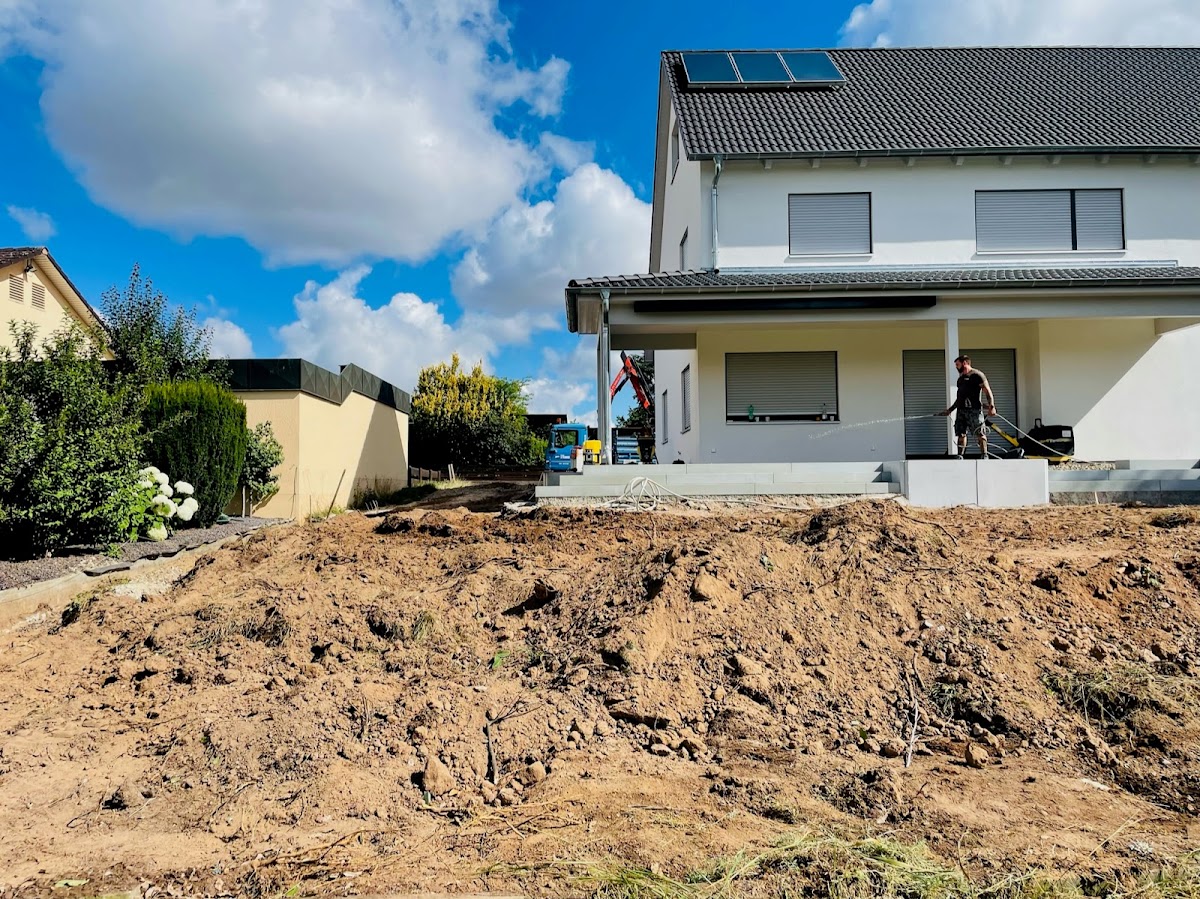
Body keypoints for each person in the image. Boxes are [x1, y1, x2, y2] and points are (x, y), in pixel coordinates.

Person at [938, 354, 996, 459]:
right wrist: (950, 410)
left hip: (974, 410)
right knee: (961, 434)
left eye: (958, 365)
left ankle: (984, 455)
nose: (956, 367)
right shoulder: (960, 379)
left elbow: (987, 391)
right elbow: (959, 398)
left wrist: (991, 406)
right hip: (961, 411)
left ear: (965, 363)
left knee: (980, 432)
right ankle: (960, 456)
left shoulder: (977, 375)